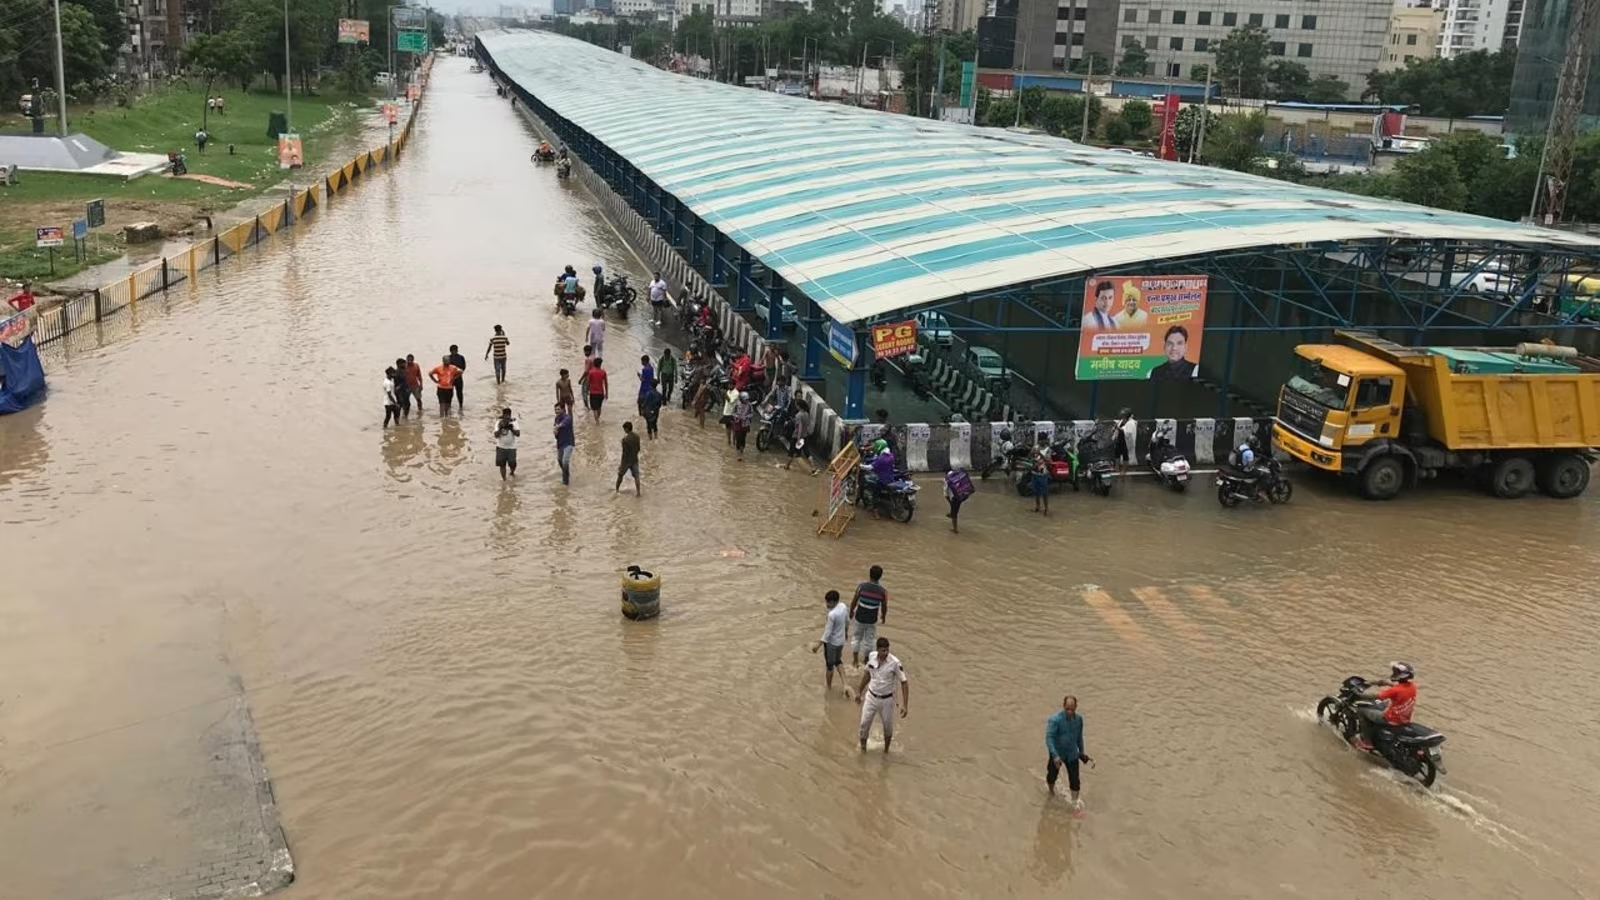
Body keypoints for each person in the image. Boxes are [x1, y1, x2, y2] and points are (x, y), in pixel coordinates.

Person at [855, 637, 909, 753]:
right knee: (864, 724)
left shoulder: (895, 663)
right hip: (871, 697)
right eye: (883, 650)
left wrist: (905, 705)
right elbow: (867, 674)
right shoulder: (871, 657)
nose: (885, 653)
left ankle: (886, 751)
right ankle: (863, 750)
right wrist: (859, 691)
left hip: (887, 700)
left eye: (887, 650)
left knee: (887, 727)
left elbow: (904, 683)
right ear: (878, 650)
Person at [1355, 662, 1418, 752]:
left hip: (1390, 719)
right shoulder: (1413, 687)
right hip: (1404, 718)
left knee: (1361, 710)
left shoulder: (1395, 690)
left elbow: (1376, 696)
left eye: (1396, 672)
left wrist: (1360, 695)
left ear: (1401, 675)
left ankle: (1367, 742)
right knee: (1384, 705)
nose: (1394, 673)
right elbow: (1398, 689)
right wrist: (1384, 683)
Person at [1045, 696, 1092, 808]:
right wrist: (1055, 755)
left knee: (1075, 780)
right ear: (1063, 706)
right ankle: (1051, 792)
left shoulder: (1079, 720)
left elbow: (1079, 737)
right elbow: (1049, 738)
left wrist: (1082, 753)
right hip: (1058, 753)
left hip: (1072, 754)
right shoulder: (1055, 720)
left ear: (1076, 707)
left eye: (1072, 709)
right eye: (1067, 709)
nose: (1070, 712)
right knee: (1052, 776)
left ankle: (1075, 804)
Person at [848, 565, 888, 667]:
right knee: (869, 640)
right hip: (872, 619)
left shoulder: (861, 587)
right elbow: (884, 606)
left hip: (859, 617)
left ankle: (855, 660)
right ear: (880, 576)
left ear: (869, 574)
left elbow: (854, 600)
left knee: (856, 638)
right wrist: (883, 616)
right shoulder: (882, 591)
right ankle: (866, 660)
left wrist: (851, 611)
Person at [811, 589, 849, 693]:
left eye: (828, 602)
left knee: (830, 666)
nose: (826, 604)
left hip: (831, 644)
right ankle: (845, 684)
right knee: (838, 661)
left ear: (833, 602)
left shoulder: (832, 615)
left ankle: (828, 687)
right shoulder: (843, 606)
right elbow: (847, 621)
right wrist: (846, 633)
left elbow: (827, 633)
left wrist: (818, 645)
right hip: (840, 641)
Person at [784, 400, 817, 474]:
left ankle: (787, 466)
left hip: (796, 437)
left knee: (791, 452)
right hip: (805, 436)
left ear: (799, 406)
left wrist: (798, 438)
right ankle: (813, 467)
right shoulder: (806, 414)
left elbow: (799, 427)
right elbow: (806, 425)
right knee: (807, 452)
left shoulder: (798, 415)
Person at [944, 467, 974, 533]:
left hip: (956, 497)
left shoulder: (947, 479)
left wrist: (950, 502)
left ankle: (955, 529)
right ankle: (951, 513)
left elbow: (946, 493)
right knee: (955, 507)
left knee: (954, 513)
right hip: (965, 495)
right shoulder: (959, 473)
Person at [615, 421, 642, 495]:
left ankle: (617, 490)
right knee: (636, 476)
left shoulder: (625, 440)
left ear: (626, 429)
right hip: (634, 459)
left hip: (626, 461)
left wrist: (621, 464)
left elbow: (624, 453)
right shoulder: (637, 436)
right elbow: (638, 448)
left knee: (620, 475)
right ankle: (638, 492)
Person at [494, 407, 520, 481]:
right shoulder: (498, 423)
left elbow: (518, 434)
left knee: (513, 463)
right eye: (506, 416)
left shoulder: (514, 422)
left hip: (512, 447)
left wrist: (511, 428)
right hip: (501, 447)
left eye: (508, 416)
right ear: (503, 416)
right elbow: (496, 435)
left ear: (510, 415)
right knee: (502, 465)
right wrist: (501, 428)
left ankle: (512, 472)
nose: (507, 418)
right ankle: (504, 479)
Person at [553, 402, 575, 485]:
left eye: (558, 409)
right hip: (560, 443)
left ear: (563, 409)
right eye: (555, 410)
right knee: (560, 460)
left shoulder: (568, 417)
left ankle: (565, 481)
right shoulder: (556, 418)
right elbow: (556, 431)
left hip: (568, 443)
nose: (556, 411)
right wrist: (555, 432)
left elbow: (565, 423)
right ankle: (566, 474)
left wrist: (558, 426)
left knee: (565, 461)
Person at [1031, 433, 1051, 515]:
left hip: (1043, 474)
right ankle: (1037, 506)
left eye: (1043, 440)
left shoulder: (1048, 450)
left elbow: (1049, 461)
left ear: (1045, 440)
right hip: (1035, 472)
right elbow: (1030, 456)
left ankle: (1046, 508)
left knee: (1044, 492)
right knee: (1036, 491)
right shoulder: (1035, 447)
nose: (1041, 441)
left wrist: (1040, 454)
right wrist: (1033, 455)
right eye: (1040, 440)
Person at [731, 390, 755, 460]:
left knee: (743, 438)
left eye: (747, 399)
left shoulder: (750, 405)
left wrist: (746, 417)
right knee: (738, 438)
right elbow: (733, 413)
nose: (747, 401)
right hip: (738, 423)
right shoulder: (737, 405)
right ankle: (738, 454)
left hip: (745, 423)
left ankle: (742, 451)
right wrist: (737, 416)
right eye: (745, 399)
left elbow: (752, 414)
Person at [1111, 407, 1134, 480]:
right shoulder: (1121, 421)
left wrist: (1117, 428)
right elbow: (1118, 429)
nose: (1121, 414)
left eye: (1123, 413)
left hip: (1126, 441)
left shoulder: (1131, 422)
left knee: (1125, 456)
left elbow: (1127, 432)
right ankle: (1116, 468)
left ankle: (1124, 471)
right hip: (1119, 440)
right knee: (1117, 454)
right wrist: (1115, 428)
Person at [587, 357, 609, 421]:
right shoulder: (603, 372)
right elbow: (606, 383)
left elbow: (588, 382)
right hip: (601, 393)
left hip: (593, 393)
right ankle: (597, 419)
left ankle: (597, 422)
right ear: (600, 364)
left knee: (594, 409)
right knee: (599, 407)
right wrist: (606, 393)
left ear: (594, 364)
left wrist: (587, 390)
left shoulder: (590, 372)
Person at [579, 345, 595, 412]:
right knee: (591, 392)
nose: (584, 353)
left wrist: (580, 379)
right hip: (593, 377)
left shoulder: (588, 359)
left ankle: (587, 408)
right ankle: (593, 406)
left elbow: (586, 371)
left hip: (588, 378)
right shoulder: (593, 357)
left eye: (585, 351)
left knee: (584, 392)